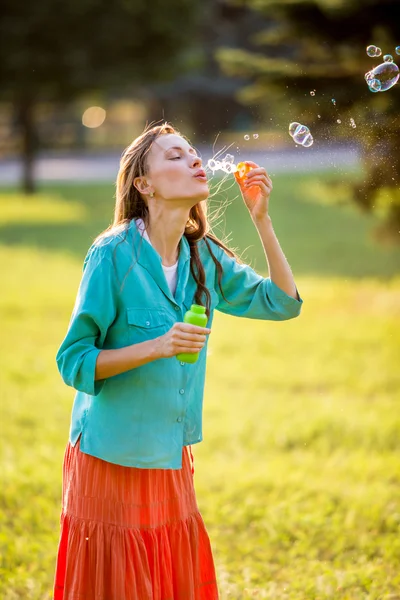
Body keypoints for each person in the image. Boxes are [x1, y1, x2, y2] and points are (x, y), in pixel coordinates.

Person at [53, 122, 303, 600]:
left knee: (166, 579)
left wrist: (262, 219)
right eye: (174, 155)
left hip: (168, 453)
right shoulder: (113, 255)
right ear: (143, 185)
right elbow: (74, 361)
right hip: (110, 455)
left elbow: (283, 303)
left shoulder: (201, 254)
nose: (194, 159)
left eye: (192, 152)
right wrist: (157, 346)